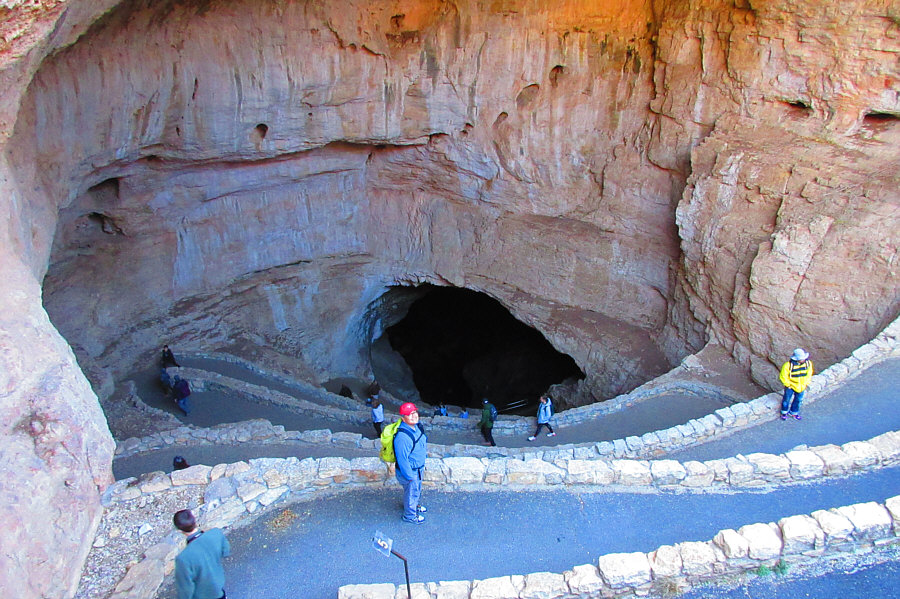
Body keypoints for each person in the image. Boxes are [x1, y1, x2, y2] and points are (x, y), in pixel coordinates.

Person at [173, 509, 230, 599]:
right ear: (194, 521)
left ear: (180, 531)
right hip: (219, 586)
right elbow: (225, 551)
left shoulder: (183, 558)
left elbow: (185, 589)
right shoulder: (216, 533)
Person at [393, 402, 427, 524]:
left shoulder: (416, 427)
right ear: (403, 418)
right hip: (411, 471)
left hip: (417, 468)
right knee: (412, 492)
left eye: (414, 412)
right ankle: (410, 516)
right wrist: (409, 476)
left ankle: (413, 506)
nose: (414, 416)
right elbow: (402, 459)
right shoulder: (402, 437)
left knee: (414, 491)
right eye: (409, 414)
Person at [780, 348, 813, 420]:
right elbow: (783, 376)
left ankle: (794, 412)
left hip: (801, 386)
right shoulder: (788, 365)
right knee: (786, 399)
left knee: (798, 400)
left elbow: (809, 373)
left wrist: (806, 383)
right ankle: (784, 412)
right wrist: (788, 385)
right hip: (791, 386)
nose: (803, 359)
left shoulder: (808, 364)